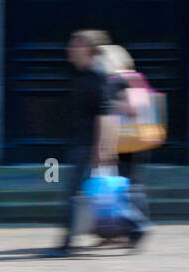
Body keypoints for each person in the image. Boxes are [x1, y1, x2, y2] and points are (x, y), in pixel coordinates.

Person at [44, 29, 118, 257]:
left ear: (88, 49)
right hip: (78, 142)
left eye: (75, 45)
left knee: (73, 194)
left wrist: (102, 148)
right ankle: (133, 230)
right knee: (84, 194)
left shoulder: (97, 76)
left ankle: (66, 243)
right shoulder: (80, 74)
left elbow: (105, 114)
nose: (70, 49)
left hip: (88, 145)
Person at [97, 42, 153, 248]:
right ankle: (130, 230)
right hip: (141, 137)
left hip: (124, 140)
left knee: (123, 187)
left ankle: (135, 228)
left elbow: (128, 109)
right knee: (135, 185)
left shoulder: (114, 80)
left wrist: (106, 104)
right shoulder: (136, 78)